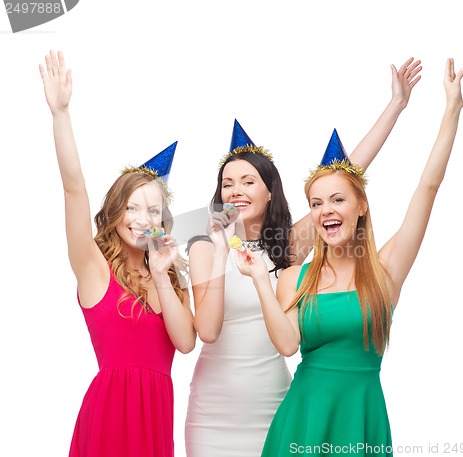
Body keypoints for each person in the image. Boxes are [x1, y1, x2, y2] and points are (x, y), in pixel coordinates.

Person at [185, 58, 423, 457]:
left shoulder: (289, 248)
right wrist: (219, 243)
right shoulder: (202, 245)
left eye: (248, 181)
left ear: (270, 192)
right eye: (227, 184)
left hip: (275, 402)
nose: (236, 191)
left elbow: (347, 174)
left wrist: (395, 106)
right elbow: (203, 327)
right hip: (213, 406)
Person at [236, 58, 463, 456]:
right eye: (317, 203)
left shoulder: (386, 270)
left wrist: (451, 111)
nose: (326, 210)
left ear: (361, 206)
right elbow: (288, 345)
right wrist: (259, 280)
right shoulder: (294, 276)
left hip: (360, 417)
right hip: (302, 421)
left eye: (338, 199)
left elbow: (428, 186)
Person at [39, 50, 196, 457]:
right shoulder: (94, 269)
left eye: (153, 210)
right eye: (132, 206)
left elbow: (185, 343)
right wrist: (61, 114)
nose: (143, 218)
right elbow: (74, 189)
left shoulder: (171, 278)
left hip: (156, 422)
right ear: (114, 211)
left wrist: (161, 274)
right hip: (108, 420)